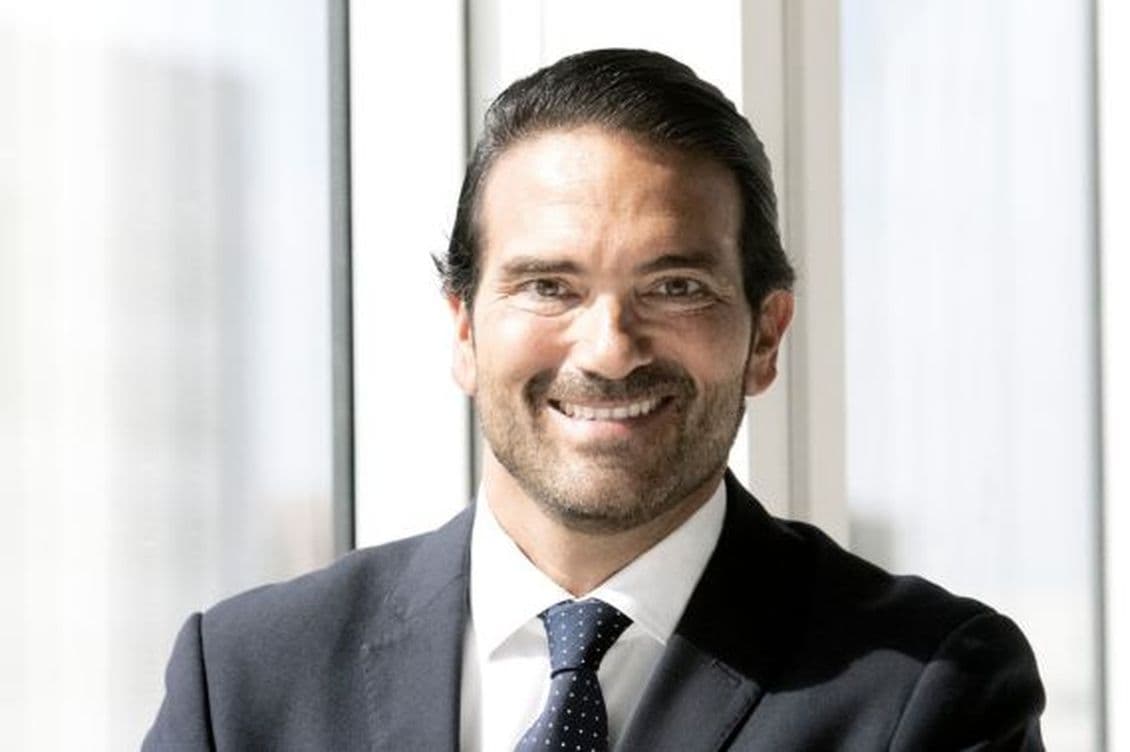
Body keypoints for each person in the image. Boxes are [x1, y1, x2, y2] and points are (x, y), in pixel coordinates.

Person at [143, 48, 1045, 751]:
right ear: (462, 329)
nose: (609, 350)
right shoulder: (247, 680)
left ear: (765, 338)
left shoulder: (929, 685)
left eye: (676, 287)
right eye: (548, 286)